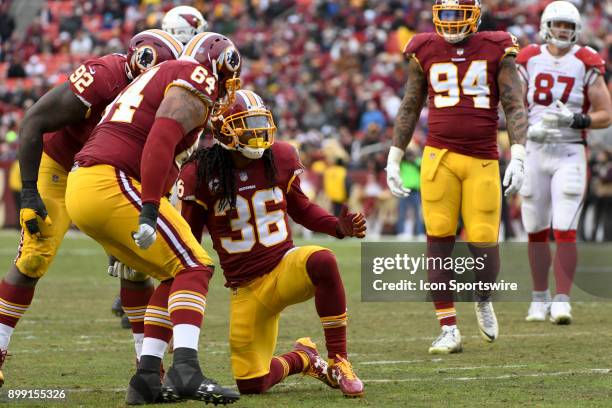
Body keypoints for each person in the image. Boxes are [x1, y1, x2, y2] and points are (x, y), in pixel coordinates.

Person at [63, 32, 242, 405]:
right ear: (219, 62)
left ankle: (146, 377)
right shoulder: (196, 74)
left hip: (87, 185)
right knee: (195, 266)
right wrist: (148, 208)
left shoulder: (159, 78)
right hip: (112, 180)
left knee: (171, 272)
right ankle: (186, 368)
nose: (226, 85)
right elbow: (159, 138)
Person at [1, 29, 182, 388]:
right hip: (61, 166)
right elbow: (33, 120)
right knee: (35, 255)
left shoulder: (172, 102)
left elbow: (159, 160)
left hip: (109, 174)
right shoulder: (104, 76)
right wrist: (28, 193)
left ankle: (148, 366)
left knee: (136, 265)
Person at [178, 90, 366, 397]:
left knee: (323, 260)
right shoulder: (200, 173)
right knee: (251, 384)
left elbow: (302, 209)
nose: (257, 133)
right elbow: (188, 239)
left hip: (283, 267)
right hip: (246, 289)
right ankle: (304, 358)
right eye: (247, 125)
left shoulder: (279, 156)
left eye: (259, 123)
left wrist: (337, 226)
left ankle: (338, 361)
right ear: (225, 130)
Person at [386, 0, 527, 354]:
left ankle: (482, 297)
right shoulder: (425, 48)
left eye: (457, 15)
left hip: (482, 159)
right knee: (438, 245)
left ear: (474, 16)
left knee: (483, 242)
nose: (449, 22)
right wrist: (394, 155)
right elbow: (410, 103)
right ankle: (448, 328)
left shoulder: (497, 47)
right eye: (444, 15)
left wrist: (520, 153)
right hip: (439, 158)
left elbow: (513, 103)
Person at [517, 1, 612, 324]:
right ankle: (538, 298)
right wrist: (529, 130)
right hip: (534, 150)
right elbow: (512, 103)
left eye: (568, 27)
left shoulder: (585, 61)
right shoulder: (528, 57)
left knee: (565, 229)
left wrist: (574, 119)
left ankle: (561, 299)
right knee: (534, 228)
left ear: (576, 30)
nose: (563, 31)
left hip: (570, 151)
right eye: (558, 25)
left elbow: (605, 114)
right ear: (546, 25)